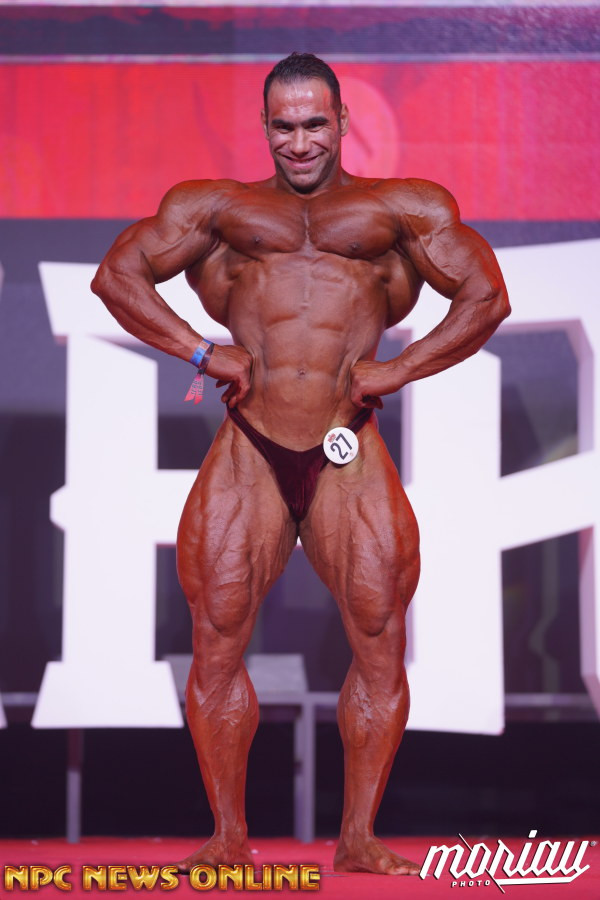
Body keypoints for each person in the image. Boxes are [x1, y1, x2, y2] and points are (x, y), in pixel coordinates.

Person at [92, 52, 510, 876]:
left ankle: (358, 836)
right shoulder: (219, 209)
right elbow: (118, 276)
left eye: (315, 123)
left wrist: (401, 368)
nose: (300, 141)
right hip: (250, 444)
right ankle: (227, 836)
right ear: (264, 126)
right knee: (216, 639)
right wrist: (199, 350)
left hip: (347, 444)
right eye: (283, 126)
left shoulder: (401, 209)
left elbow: (487, 295)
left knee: (380, 637)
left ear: (343, 122)